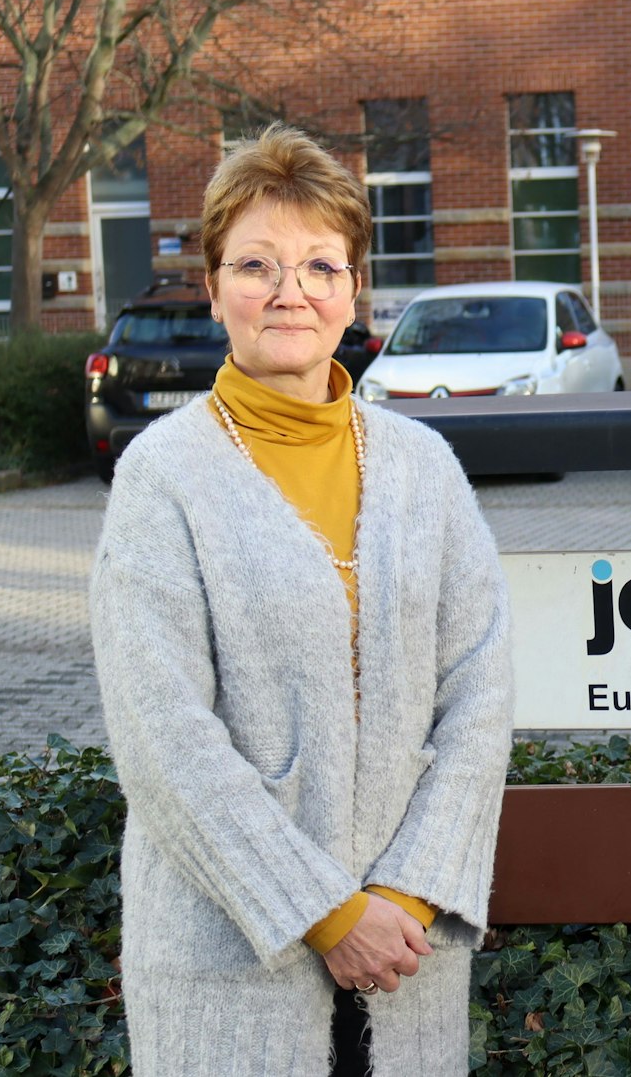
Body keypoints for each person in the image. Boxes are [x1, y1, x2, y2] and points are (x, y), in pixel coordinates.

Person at [91, 125, 514, 1075]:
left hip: (408, 971)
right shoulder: (161, 477)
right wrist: (324, 915)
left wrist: (403, 898)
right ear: (213, 286)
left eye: (321, 264)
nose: (292, 291)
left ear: (353, 290)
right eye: (257, 264)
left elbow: (480, 690)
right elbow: (162, 734)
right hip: (229, 971)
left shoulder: (424, 469)